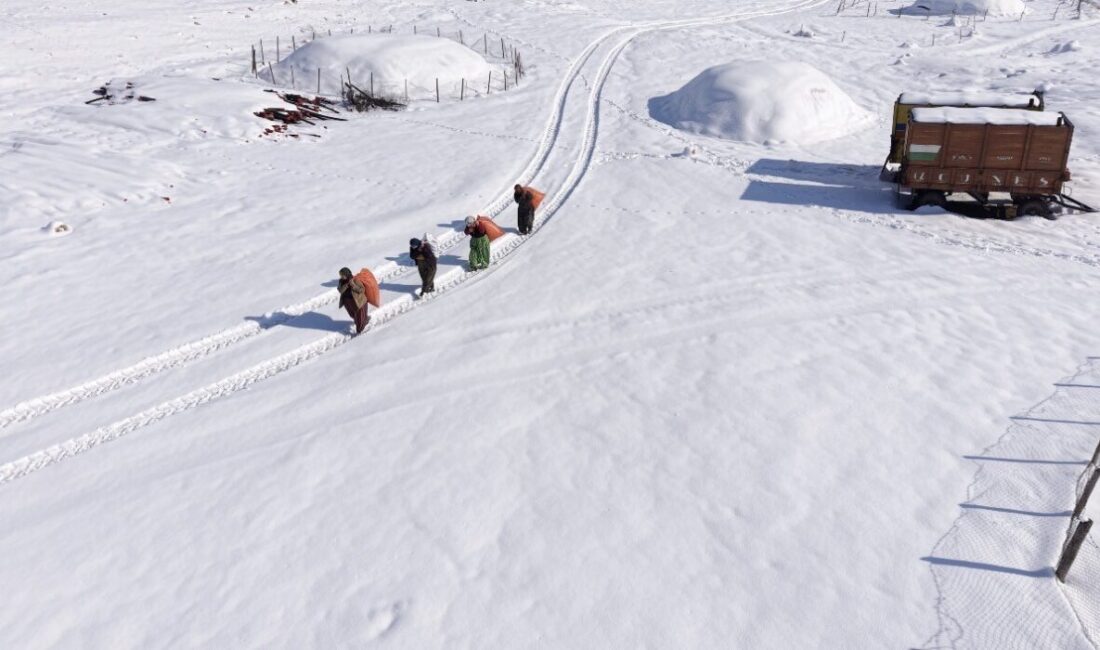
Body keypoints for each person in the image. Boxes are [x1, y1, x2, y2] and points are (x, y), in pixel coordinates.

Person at [337, 267, 370, 334]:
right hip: (347, 302)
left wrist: (353, 285)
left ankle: (359, 330)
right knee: (352, 314)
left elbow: (362, 290)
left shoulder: (355, 280)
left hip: (358, 301)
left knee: (359, 316)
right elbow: (340, 290)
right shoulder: (341, 281)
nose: (341, 276)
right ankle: (365, 319)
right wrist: (346, 285)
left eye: (342, 275)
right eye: (340, 275)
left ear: (346, 274)